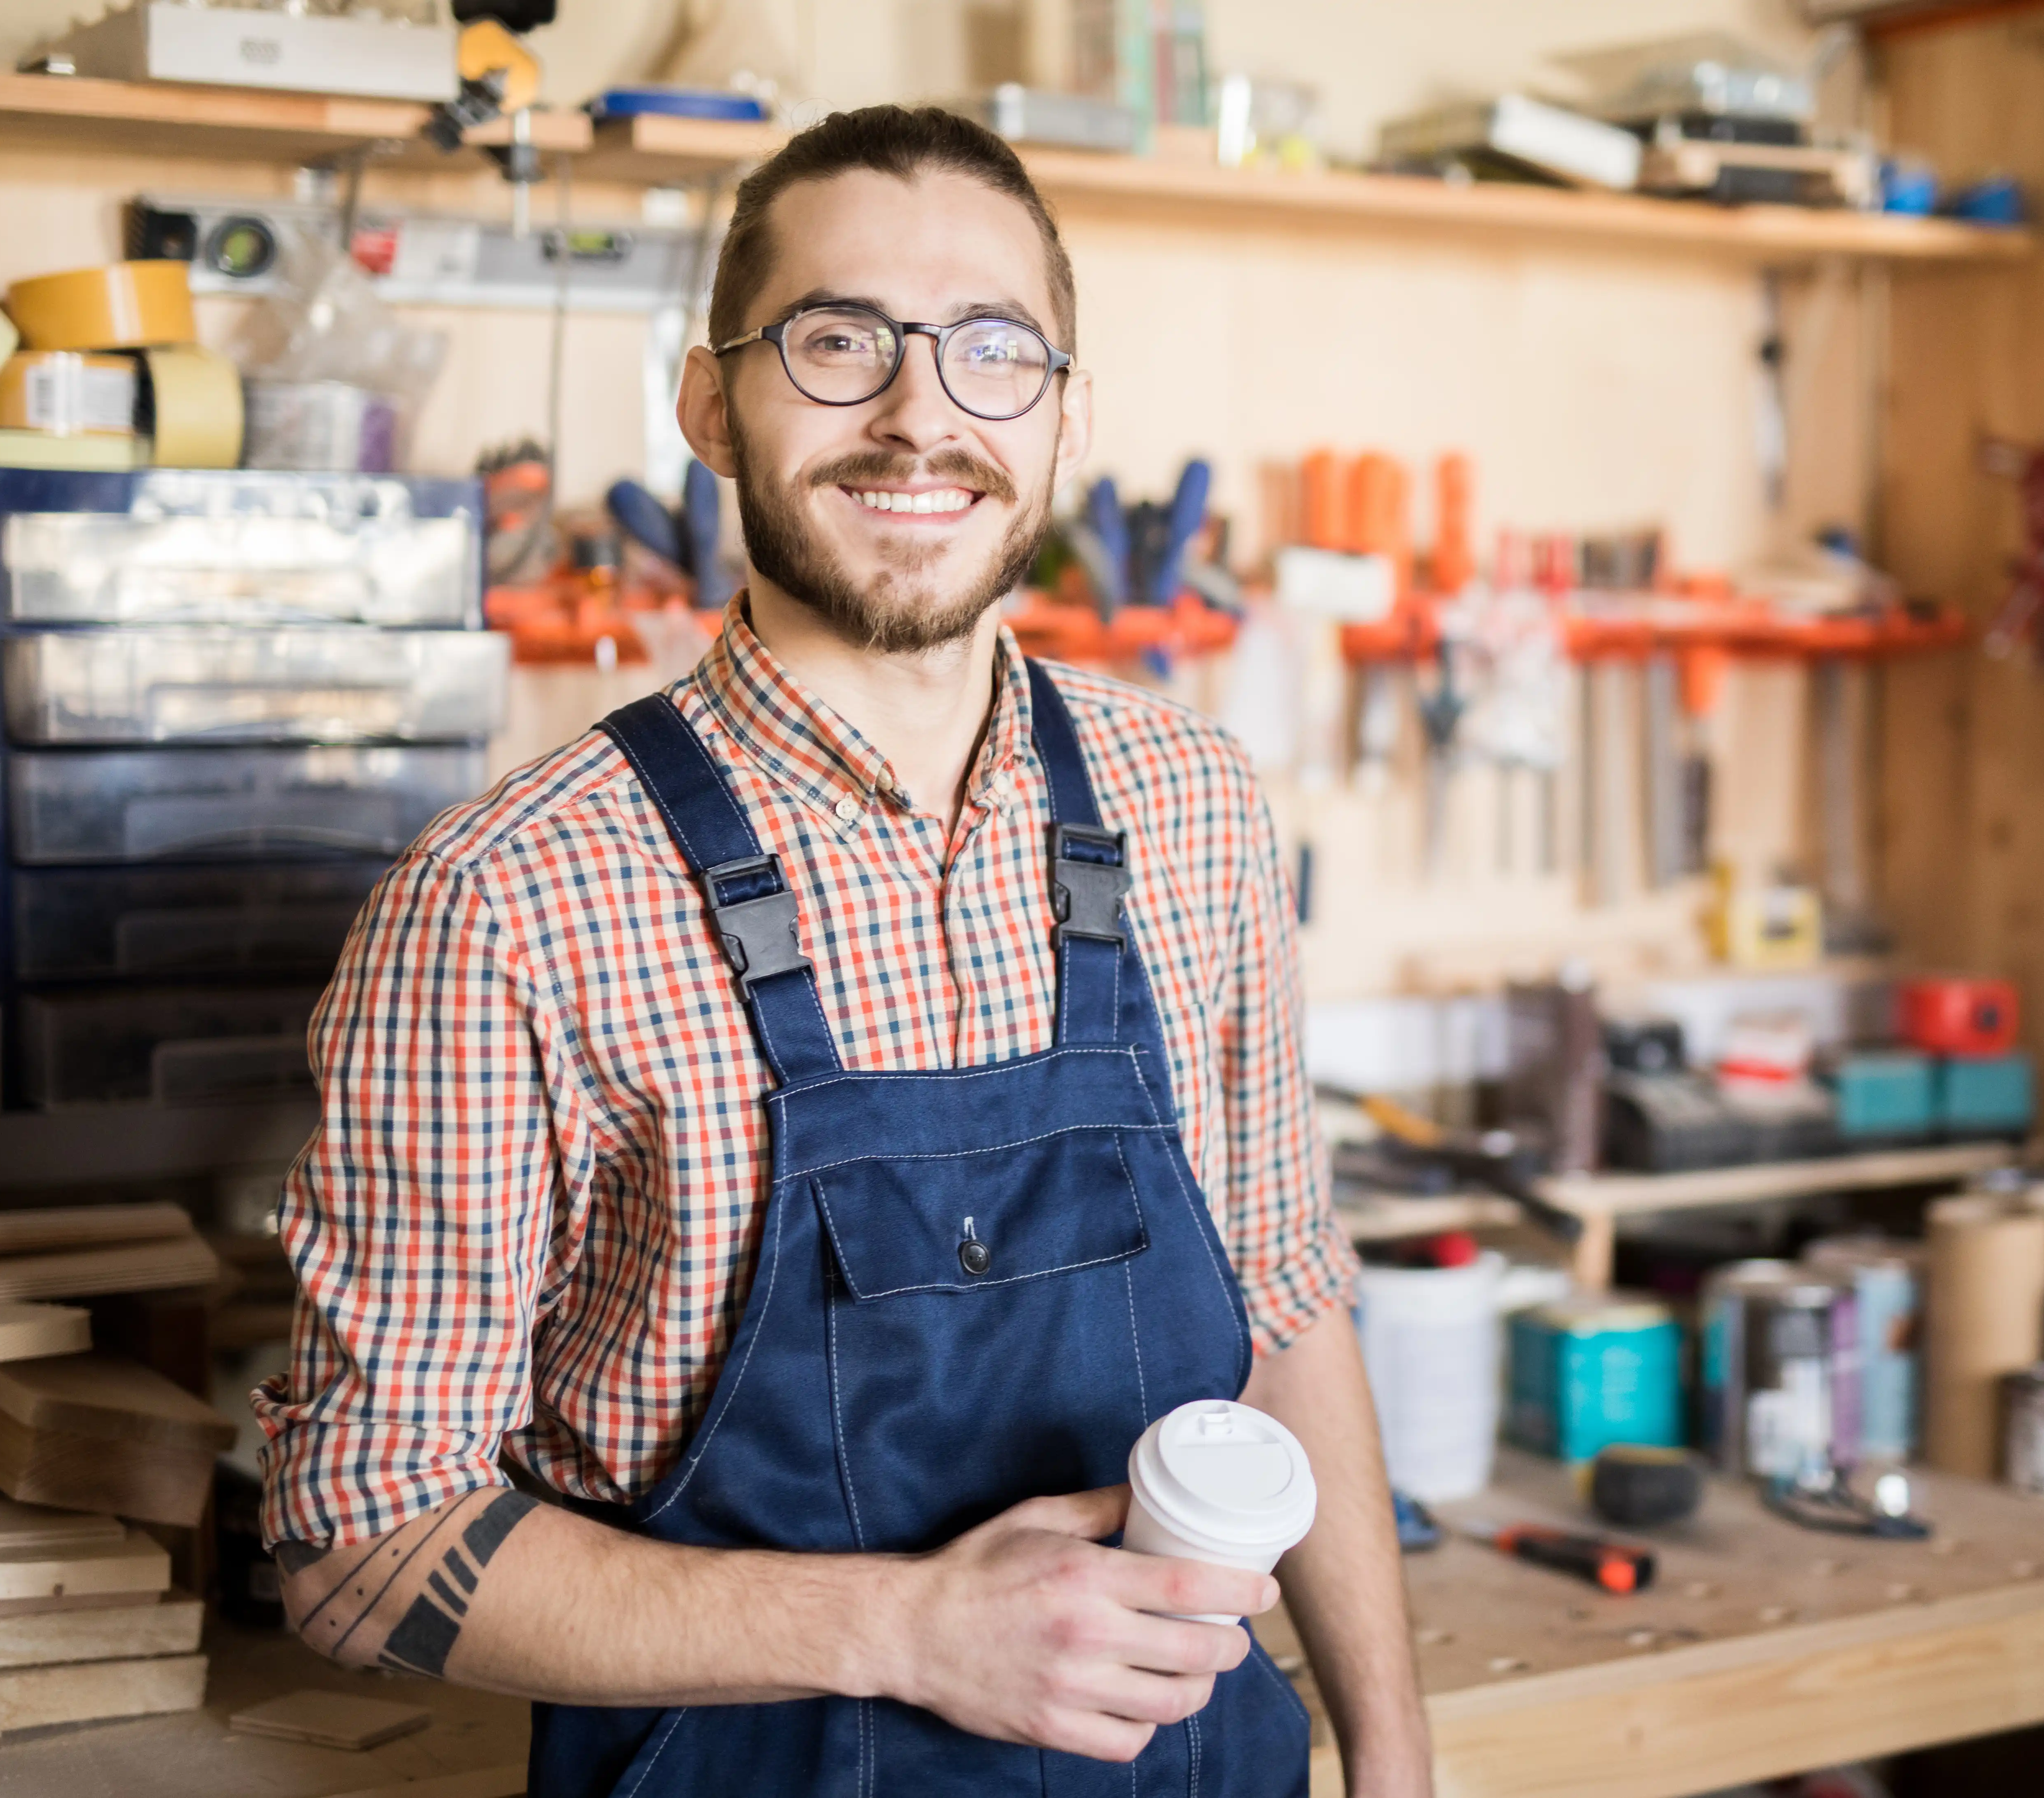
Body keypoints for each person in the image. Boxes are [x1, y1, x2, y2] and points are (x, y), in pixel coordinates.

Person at [252, 105, 1432, 1798]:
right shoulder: (509, 897)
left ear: (1067, 416)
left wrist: (1393, 1752)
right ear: (709, 403)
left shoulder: (1194, 805)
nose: (918, 416)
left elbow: (1286, 1302)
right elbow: (361, 1543)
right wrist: (910, 1631)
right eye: (836, 341)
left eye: (991, 351)